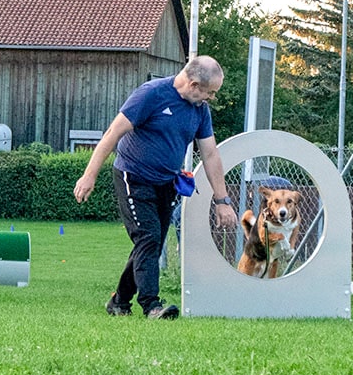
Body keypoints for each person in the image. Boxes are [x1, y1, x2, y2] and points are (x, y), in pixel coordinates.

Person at [74, 55, 238, 319]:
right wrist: (88, 176)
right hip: (133, 177)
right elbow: (113, 134)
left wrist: (222, 201)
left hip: (166, 182)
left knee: (151, 243)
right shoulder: (151, 95)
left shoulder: (200, 110)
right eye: (210, 92)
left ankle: (119, 301)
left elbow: (210, 154)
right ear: (194, 85)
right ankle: (151, 305)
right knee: (148, 238)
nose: (211, 98)